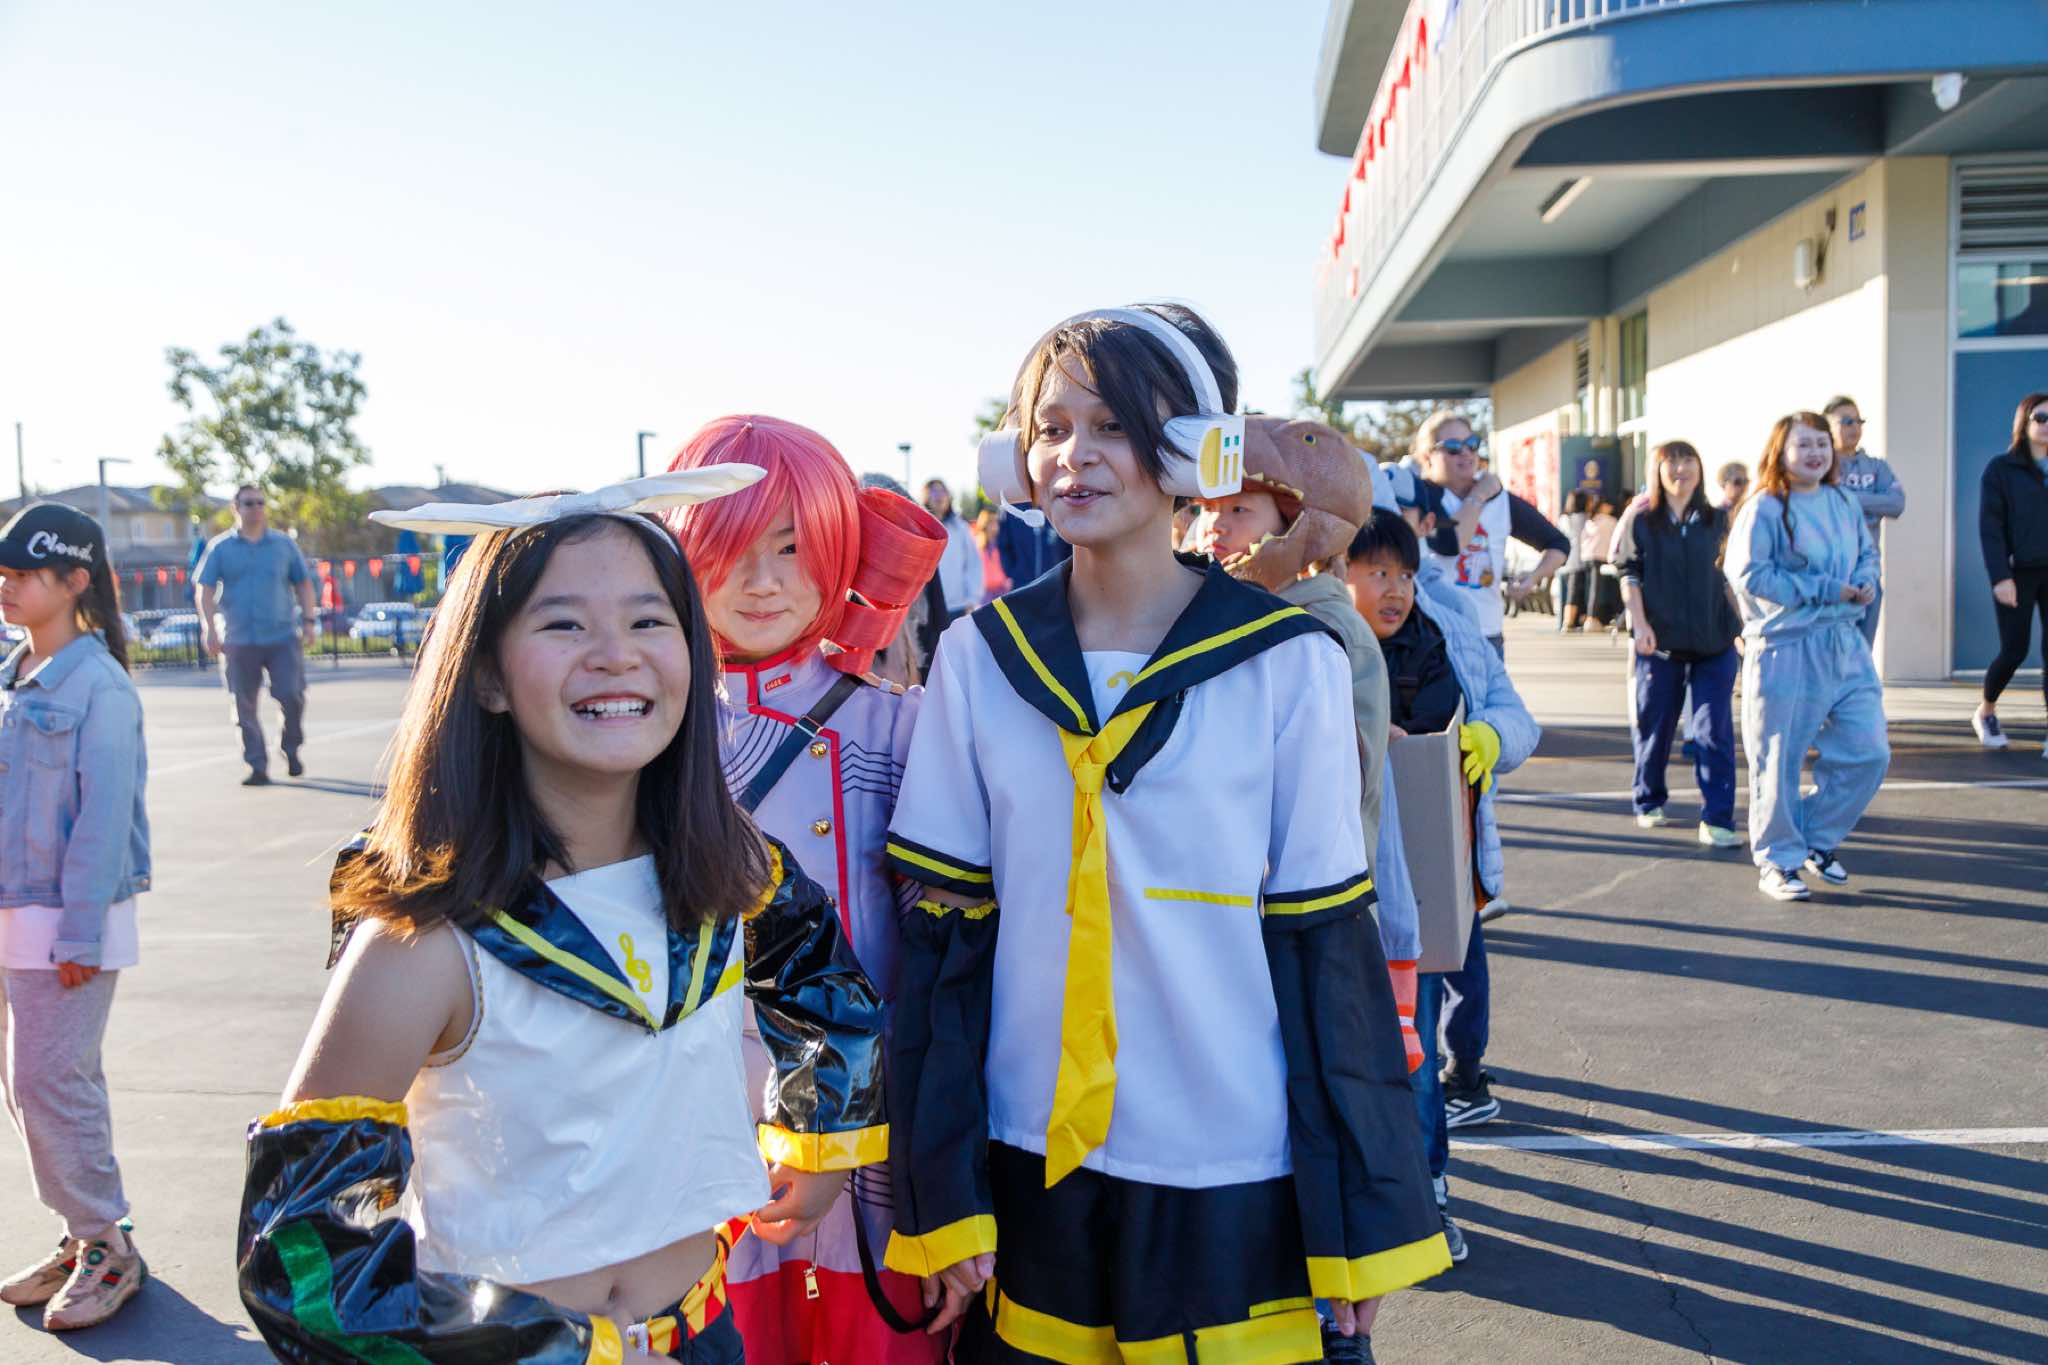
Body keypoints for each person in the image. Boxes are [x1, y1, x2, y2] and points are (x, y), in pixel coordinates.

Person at [884, 306, 1446, 1365]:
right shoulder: (978, 658)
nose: (1075, 455)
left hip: (1232, 1156)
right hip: (1030, 1151)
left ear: (1194, 450)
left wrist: (1362, 1217)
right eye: (1051, 428)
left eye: (1113, 426)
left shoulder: (1288, 662)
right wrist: (940, 1190)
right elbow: (944, 947)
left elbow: (1327, 944)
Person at [235, 474, 889, 1364]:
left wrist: (821, 1134)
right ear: (486, 675)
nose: (616, 655)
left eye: (649, 620)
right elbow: (302, 1248)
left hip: (704, 1333)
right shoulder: (423, 941)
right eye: (563, 624)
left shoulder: (732, 872)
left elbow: (820, 975)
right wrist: (550, 1350)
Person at [667, 415, 951, 1365]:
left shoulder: (898, 727)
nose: (762, 580)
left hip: (872, 1130)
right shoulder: (648, 731)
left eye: (792, 547)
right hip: (704, 1127)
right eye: (731, 546)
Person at [1189, 419, 1419, 1073]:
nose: (1217, 526)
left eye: (1240, 510)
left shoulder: (1315, 626)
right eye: (1208, 510)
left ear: (1294, 523)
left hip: (1305, 899)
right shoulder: (1253, 612)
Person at [1346, 508, 1539, 1277]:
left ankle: (1428, 1191)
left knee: (1416, 1044)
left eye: (1403, 573)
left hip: (1430, 888)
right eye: (1376, 573)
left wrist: (1486, 737)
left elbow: (1516, 719)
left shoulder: (1445, 632)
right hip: (1338, 892)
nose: (1395, 589)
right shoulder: (1317, 642)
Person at [0, 504, 150, 1333]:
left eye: (25, 573)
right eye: (5, 572)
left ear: (76, 581)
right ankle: (82, 1231)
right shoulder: (15, 672)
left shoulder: (100, 685)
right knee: (30, 1087)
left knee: (51, 1082)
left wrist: (81, 932)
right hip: (13, 910)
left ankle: (107, 1246)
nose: (8, 584)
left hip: (68, 918)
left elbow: (103, 818)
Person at [1724, 414, 1889, 903]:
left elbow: (1867, 554)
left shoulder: (1843, 501)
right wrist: (1824, 589)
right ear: (1780, 451)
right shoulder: (1764, 507)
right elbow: (1749, 574)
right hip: (1786, 647)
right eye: (1804, 445)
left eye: (1822, 443)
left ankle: (1815, 837)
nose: (1816, 453)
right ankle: (1778, 860)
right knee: (1778, 760)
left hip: (1845, 643)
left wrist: (1866, 580)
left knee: (1869, 751)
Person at [1610, 442, 1744, 846]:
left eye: (1688, 461)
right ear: (1657, 470)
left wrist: (1743, 627)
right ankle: (1648, 799)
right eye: (1671, 461)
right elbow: (1629, 575)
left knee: (1713, 730)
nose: (1680, 469)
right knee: (1655, 726)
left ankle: (1717, 819)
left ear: (1700, 469)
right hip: (1660, 646)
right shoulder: (1641, 520)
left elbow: (1732, 579)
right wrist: (1640, 625)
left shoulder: (1717, 520)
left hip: (1714, 644)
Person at [1416, 411, 1569, 655]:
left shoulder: (1499, 499)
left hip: (1487, 633)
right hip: (1435, 632)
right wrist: (1478, 496)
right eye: (1453, 447)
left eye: (1471, 444)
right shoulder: (1420, 497)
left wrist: (1532, 578)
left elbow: (1558, 544)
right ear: (1427, 456)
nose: (1466, 453)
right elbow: (1450, 542)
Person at [194, 484, 318, 785]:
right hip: (238, 639)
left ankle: (290, 747)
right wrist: (209, 627)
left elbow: (303, 584)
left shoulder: (283, 545)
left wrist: (309, 621)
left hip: (282, 637)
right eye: (249, 503)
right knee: (243, 705)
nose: (256, 508)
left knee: (292, 696)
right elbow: (204, 589)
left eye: (261, 502)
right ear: (236, 508)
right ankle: (257, 764)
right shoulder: (220, 548)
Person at [1973, 390, 2048, 753]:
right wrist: (2000, 577)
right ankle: (1986, 710)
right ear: (2024, 422)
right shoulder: (2001, 470)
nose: (2047, 425)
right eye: (2041, 418)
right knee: (2014, 650)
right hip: (2018, 574)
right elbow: (1991, 528)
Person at [1823, 396, 1906, 647]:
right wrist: (1872, 503)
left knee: (1861, 653)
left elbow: (1896, 504)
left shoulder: (1877, 467)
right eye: (1846, 421)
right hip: (1829, 577)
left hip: (1867, 576)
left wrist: (1846, 498)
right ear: (1827, 427)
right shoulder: (1822, 467)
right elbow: (1824, 505)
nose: (1855, 427)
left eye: (1859, 421)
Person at [923, 479, 982, 623]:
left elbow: (973, 564)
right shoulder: (920, 528)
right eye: (934, 492)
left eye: (942, 491)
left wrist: (972, 599)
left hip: (958, 608)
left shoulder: (961, 528)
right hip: (928, 609)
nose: (939, 496)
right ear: (926, 497)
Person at [1556, 489, 1592, 631]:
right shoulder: (1584, 518)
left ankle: (1573, 621)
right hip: (1579, 560)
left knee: (1574, 591)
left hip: (1567, 560)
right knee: (1576, 592)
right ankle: (1569, 622)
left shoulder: (1564, 519)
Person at [970, 505, 1009, 605]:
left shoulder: (1002, 544)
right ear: (984, 524)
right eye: (991, 522)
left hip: (1002, 591)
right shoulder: (976, 545)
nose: (995, 525)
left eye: (996, 522)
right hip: (984, 595)